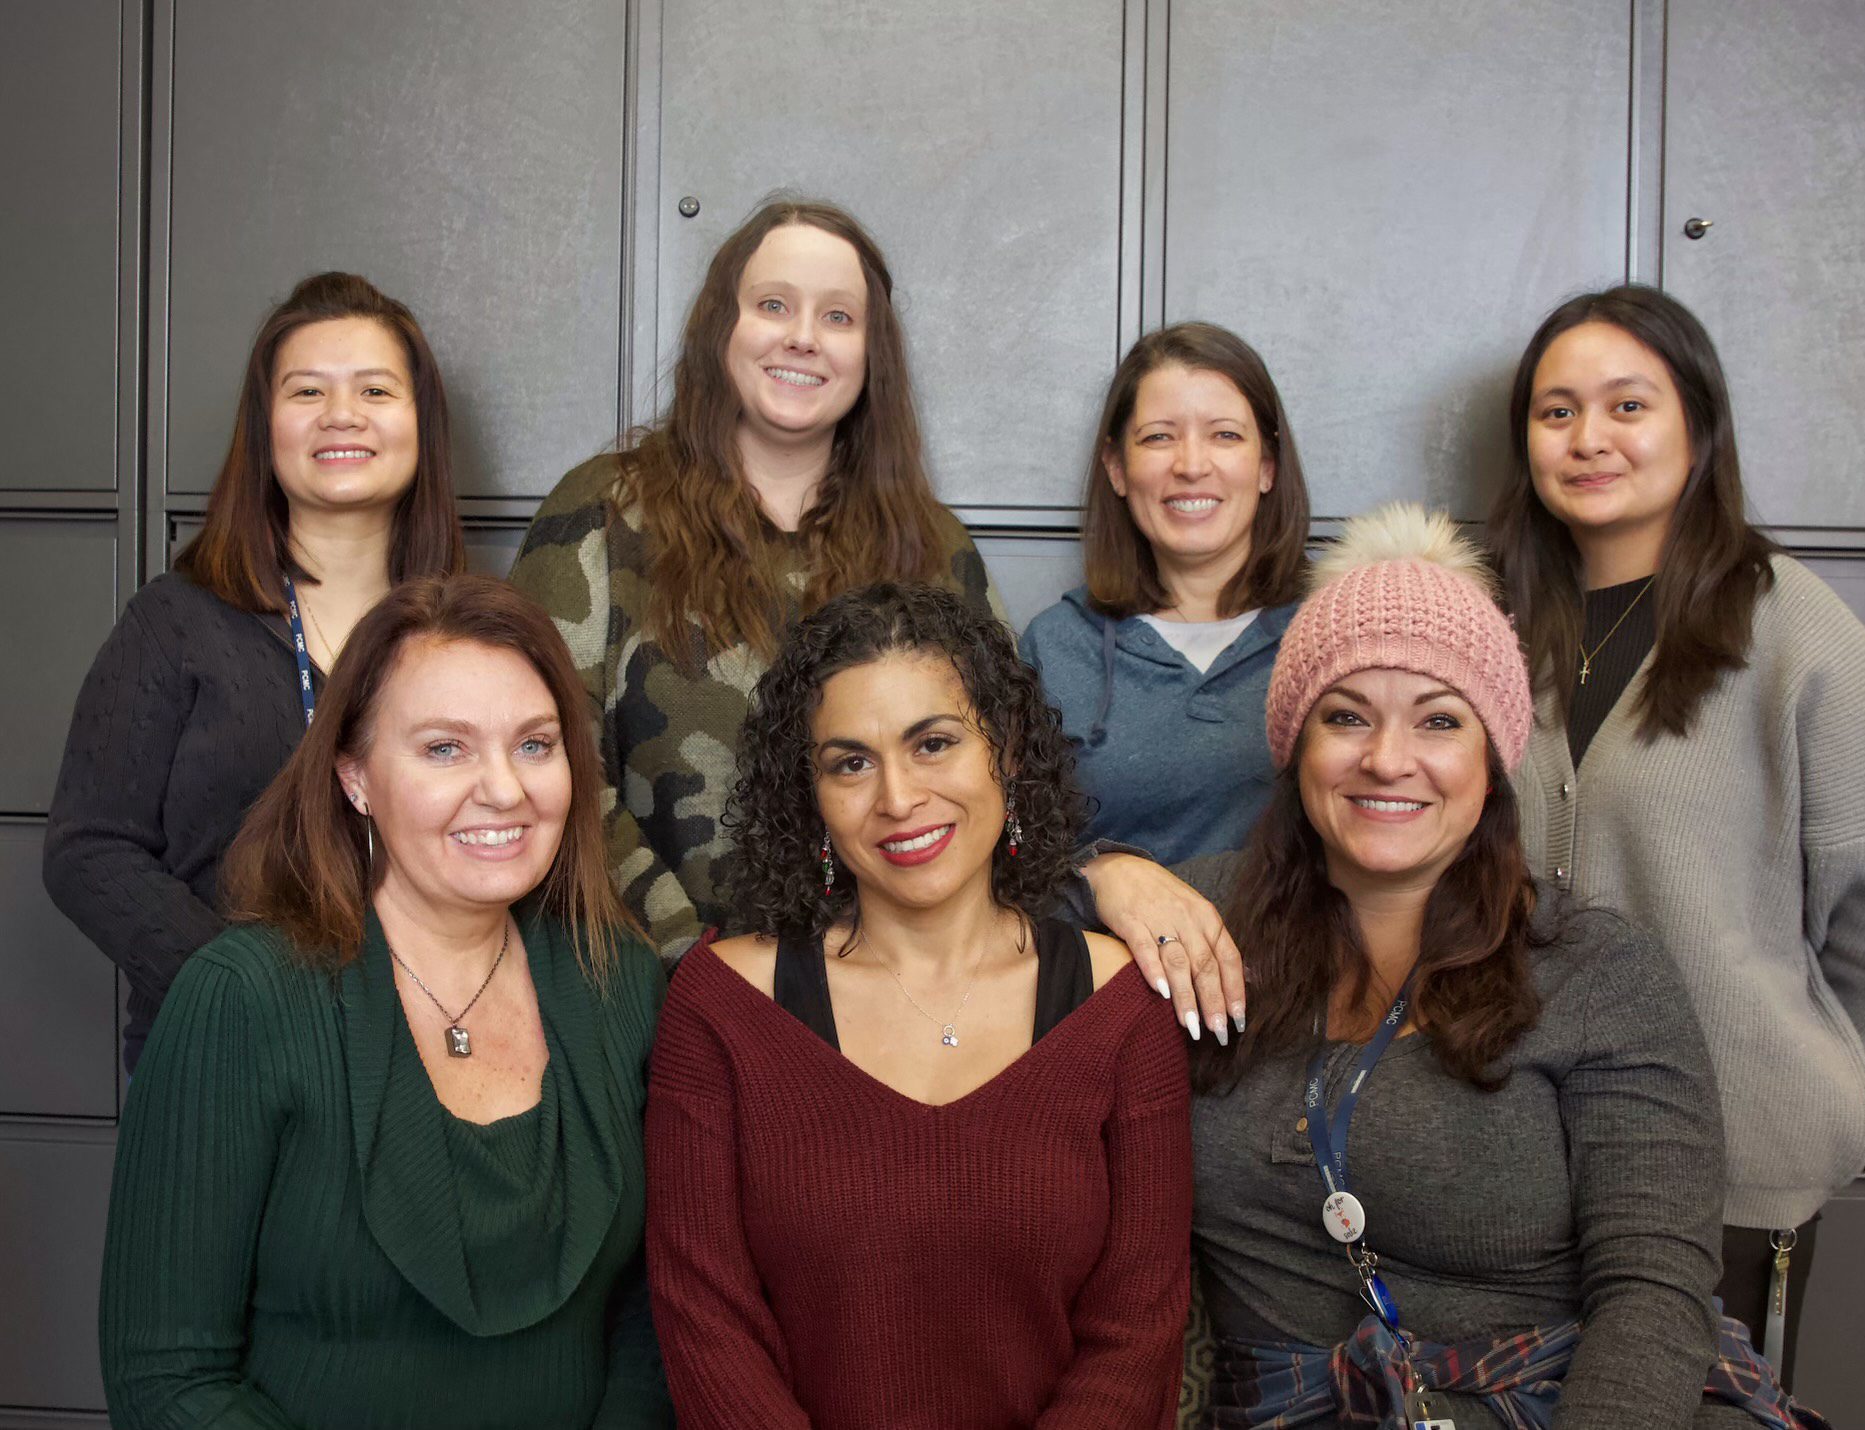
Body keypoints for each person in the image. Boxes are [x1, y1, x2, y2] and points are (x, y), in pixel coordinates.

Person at [1176, 504, 1825, 1429]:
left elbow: (1653, 1291)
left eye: (1438, 720)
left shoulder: (1598, 972)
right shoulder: (1196, 925)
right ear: (1295, 748)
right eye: (1345, 716)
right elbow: (996, 935)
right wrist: (1109, 878)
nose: (1387, 759)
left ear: (1492, 760)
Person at [1488, 284, 1865, 1383]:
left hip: (1731, 1160)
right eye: (1554, 411)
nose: (1587, 437)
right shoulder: (1502, 628)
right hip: (1523, 1162)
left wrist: (1783, 1028)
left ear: (1696, 426)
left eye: (1626, 404)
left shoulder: (1785, 620)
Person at [98, 575, 670, 1429]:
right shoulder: (241, 1000)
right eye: (445, 748)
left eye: (535, 744)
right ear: (355, 776)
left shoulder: (619, 979)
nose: (505, 791)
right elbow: (166, 1380)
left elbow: (647, 1320)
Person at [646, 583, 1191, 1430]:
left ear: (1004, 751)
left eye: (932, 743)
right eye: (849, 762)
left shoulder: (1121, 1006)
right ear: (812, 797)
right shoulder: (721, 1005)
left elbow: (1139, 1327)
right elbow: (704, 1319)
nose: (896, 798)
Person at [513, 197, 1002, 959]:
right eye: (773, 305)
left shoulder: (933, 546)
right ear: (721, 330)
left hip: (889, 994)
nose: (803, 338)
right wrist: (693, 960)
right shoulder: (602, 512)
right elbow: (540, 760)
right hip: (651, 982)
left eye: (838, 318)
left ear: (872, 353)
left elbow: (1000, 771)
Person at [44, 271, 464, 1074]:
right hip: (224, 1054)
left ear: (420, 424)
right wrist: (238, 993)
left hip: (420, 1052)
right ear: (264, 427)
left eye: (376, 390)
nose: (342, 415)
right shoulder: (175, 622)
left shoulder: (465, 635)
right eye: (307, 391)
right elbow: (87, 848)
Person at [1020, 322, 1309, 863]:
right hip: (1108, 948)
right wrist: (1096, 875)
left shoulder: (1338, 631)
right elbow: (1009, 857)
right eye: (1159, 436)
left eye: (1225, 435)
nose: (1191, 465)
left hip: (1299, 948)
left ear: (1267, 466)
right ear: (1117, 468)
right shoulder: (1053, 648)